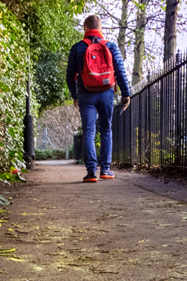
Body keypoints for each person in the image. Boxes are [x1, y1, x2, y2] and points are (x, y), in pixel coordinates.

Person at [66, 15, 132, 182]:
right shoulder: (110, 46)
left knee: (89, 131)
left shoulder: (77, 48)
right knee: (106, 130)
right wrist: (126, 94)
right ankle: (106, 170)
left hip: (85, 94)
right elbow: (120, 72)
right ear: (100, 29)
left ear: (86, 29)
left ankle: (90, 172)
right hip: (106, 93)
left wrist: (75, 96)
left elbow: (70, 76)